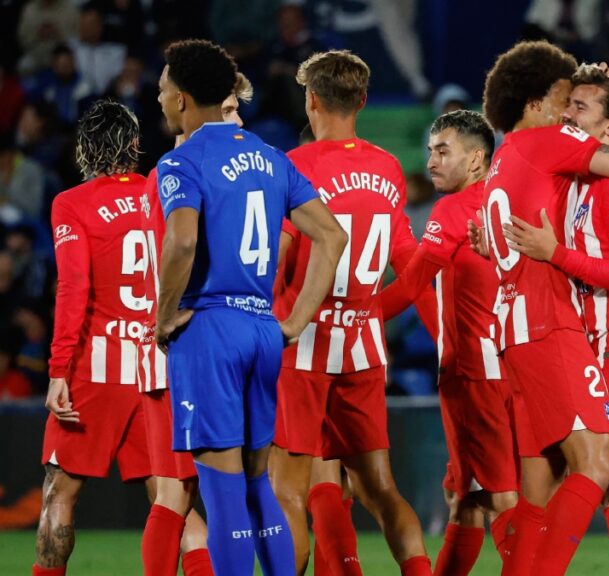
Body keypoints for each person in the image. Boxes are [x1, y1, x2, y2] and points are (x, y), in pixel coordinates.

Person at [153, 39, 344, 576]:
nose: (160, 96)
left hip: (210, 329)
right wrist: (296, 320)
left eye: (165, 89)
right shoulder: (270, 156)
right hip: (263, 330)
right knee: (259, 484)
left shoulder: (180, 161)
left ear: (184, 100)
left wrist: (164, 316)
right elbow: (330, 236)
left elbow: (182, 242)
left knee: (221, 494)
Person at [476, 40, 609, 576]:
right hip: (548, 322)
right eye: (564, 100)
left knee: (545, 491)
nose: (566, 112)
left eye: (578, 104)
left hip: (533, 330)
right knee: (599, 467)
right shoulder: (549, 145)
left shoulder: (512, 156)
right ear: (536, 103)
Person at [270, 49, 433, 576]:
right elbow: (412, 268)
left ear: (311, 99)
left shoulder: (294, 165)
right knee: (381, 489)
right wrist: (370, 313)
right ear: (362, 101)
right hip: (363, 349)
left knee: (288, 492)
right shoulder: (388, 168)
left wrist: (265, 320)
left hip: (304, 344)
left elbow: (280, 257)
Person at [378, 109, 518, 576]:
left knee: (500, 496)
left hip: (474, 371)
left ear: (477, 159)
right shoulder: (503, 200)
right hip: (502, 362)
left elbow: (414, 281)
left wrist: (352, 317)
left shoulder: (454, 208)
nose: (432, 161)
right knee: (467, 499)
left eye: (443, 151)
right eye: (430, 150)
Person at [137, 71, 255, 576]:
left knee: (192, 491)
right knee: (178, 490)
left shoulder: (183, 171)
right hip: (182, 348)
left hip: (203, 347)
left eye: (237, 110)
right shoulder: (179, 172)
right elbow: (184, 254)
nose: (238, 120)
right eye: (229, 109)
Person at [33, 99, 152, 576]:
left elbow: (74, 286)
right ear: (136, 146)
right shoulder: (163, 196)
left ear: (84, 149)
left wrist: (59, 369)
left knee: (60, 492)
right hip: (154, 367)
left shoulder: (73, 203)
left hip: (94, 371)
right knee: (171, 503)